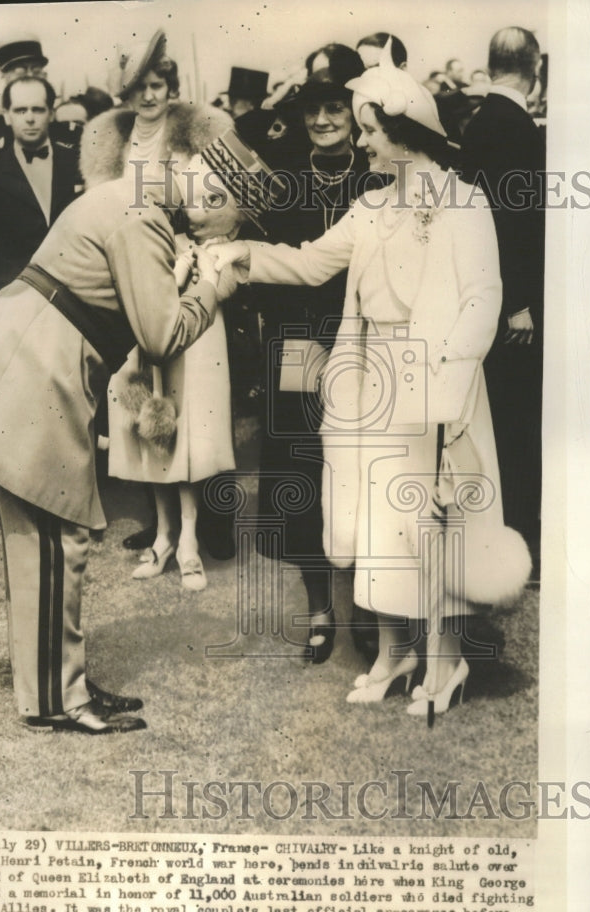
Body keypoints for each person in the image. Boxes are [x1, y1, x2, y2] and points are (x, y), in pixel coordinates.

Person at [209, 42, 531, 716]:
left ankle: (444, 664)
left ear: (399, 131)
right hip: (371, 383)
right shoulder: (372, 207)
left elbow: (481, 299)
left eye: (366, 129)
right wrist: (237, 253)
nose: (358, 141)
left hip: (437, 384)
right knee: (379, 523)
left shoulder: (463, 201)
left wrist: (444, 393)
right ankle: (393, 654)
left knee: (434, 526)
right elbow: (305, 264)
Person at [0, 165, 224, 733]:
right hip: (40, 361)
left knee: (41, 536)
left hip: (25, 345)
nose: (210, 214)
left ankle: (60, 684)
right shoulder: (144, 219)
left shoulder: (120, 196)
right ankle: (56, 701)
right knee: (54, 536)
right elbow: (161, 338)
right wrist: (213, 285)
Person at [242, 44, 382, 663]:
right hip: (297, 345)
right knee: (302, 477)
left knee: (367, 478)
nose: (323, 120)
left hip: (367, 346)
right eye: (313, 110)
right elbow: (270, 267)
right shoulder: (281, 172)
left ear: (354, 111)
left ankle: (372, 612)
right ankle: (321, 613)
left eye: (335, 107)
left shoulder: (379, 175)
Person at [81, 30, 234, 588]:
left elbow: (217, 217)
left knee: (187, 415)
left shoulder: (195, 143)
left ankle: (190, 538)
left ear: (172, 89)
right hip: (132, 294)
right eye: (140, 87)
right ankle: (163, 533)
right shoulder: (111, 150)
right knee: (143, 413)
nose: (149, 96)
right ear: (127, 92)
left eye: (159, 85)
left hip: (188, 289)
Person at [460, 27, 545, 551]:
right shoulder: (515, 126)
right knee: (517, 424)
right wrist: (519, 305)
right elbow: (513, 224)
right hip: (512, 306)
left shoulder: (479, 123)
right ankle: (520, 540)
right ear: (534, 69)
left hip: (487, 297)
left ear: (491, 65)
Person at [0, 76, 82, 313]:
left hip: (73, 300)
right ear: (7, 116)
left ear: (51, 114)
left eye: (38, 109)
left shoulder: (77, 163)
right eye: (20, 110)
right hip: (13, 301)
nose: (30, 118)